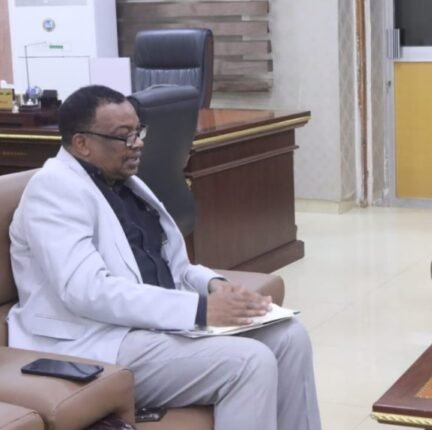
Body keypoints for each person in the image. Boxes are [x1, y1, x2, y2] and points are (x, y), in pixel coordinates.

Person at [7, 85, 321, 430]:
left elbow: (173, 267)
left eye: (138, 131)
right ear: (82, 143)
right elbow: (87, 291)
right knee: (249, 362)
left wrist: (214, 286)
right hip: (95, 339)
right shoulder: (53, 189)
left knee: (290, 337)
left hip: (150, 326)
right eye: (124, 136)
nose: (137, 144)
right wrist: (199, 310)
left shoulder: (125, 183)